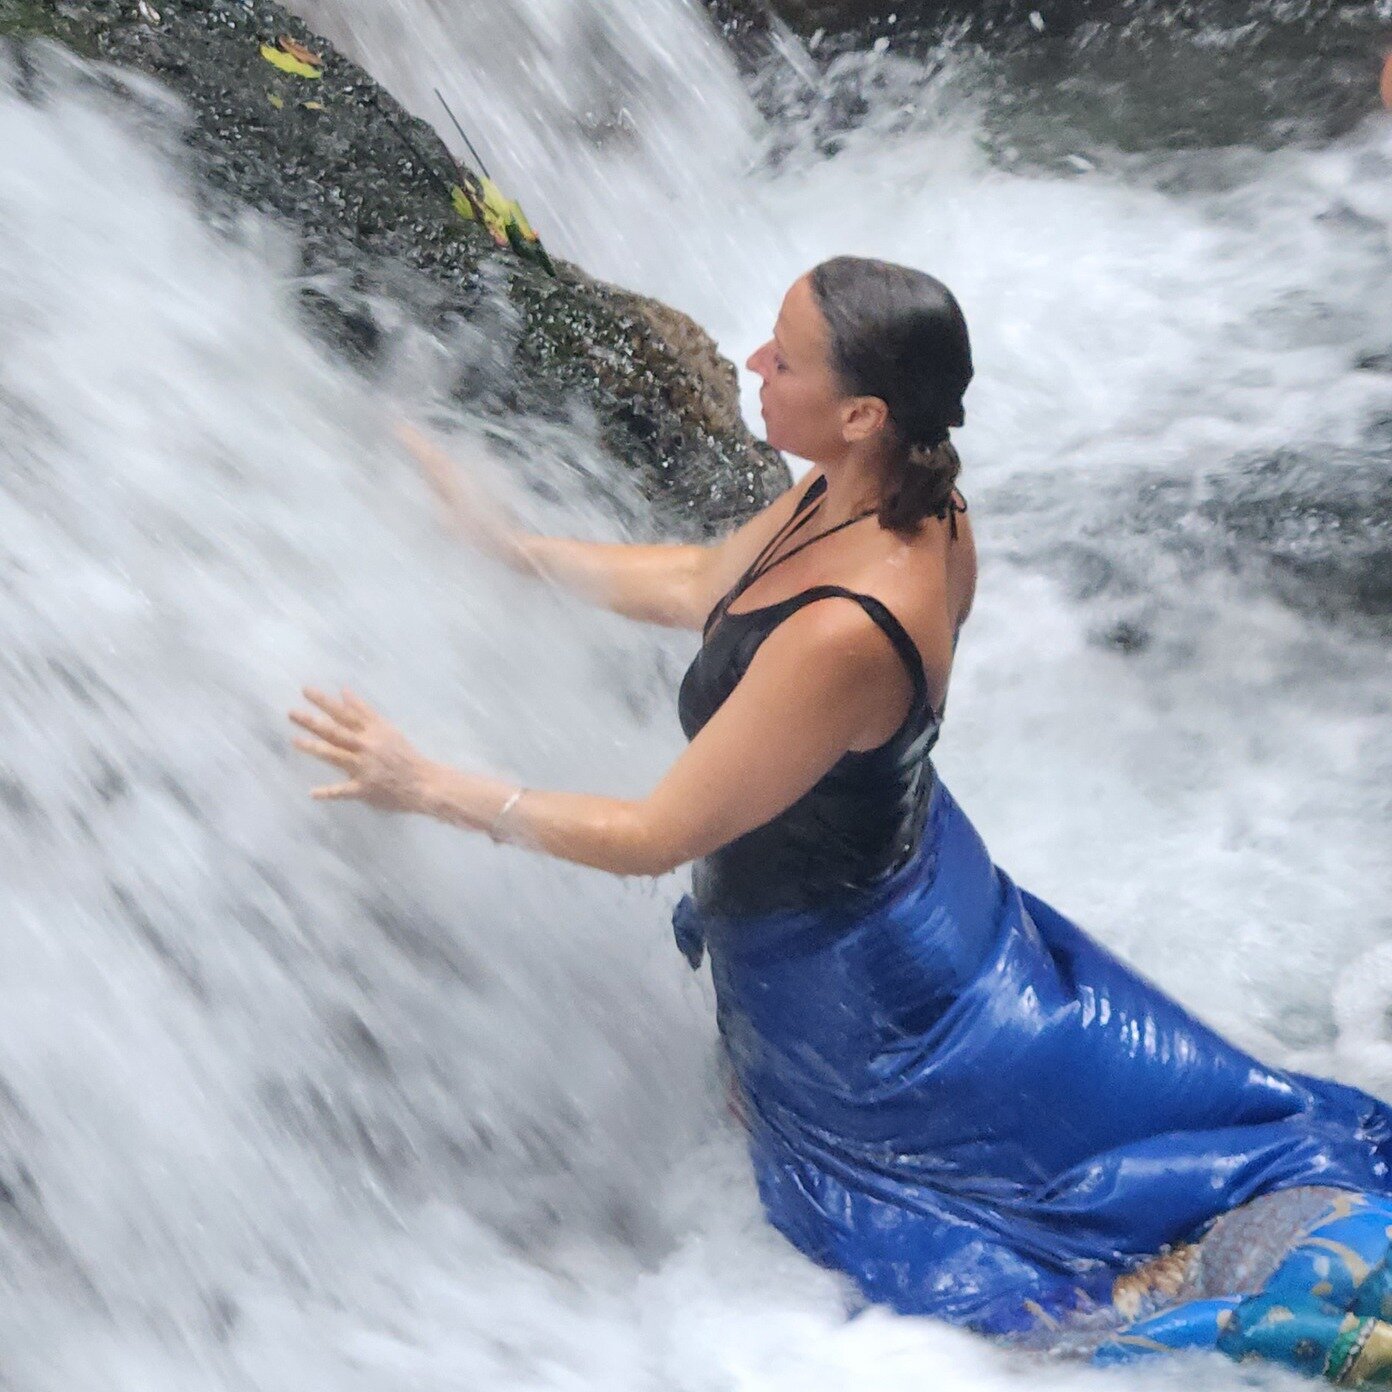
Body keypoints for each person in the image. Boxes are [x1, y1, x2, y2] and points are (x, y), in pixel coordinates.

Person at [290, 257, 1392, 1381]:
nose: (754, 366)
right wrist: (511, 547)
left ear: (862, 411)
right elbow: (705, 580)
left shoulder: (846, 631)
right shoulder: (884, 490)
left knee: (1035, 1245)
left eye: (784, 358)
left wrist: (424, 784)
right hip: (919, 884)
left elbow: (649, 837)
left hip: (860, 983)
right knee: (1154, 1146)